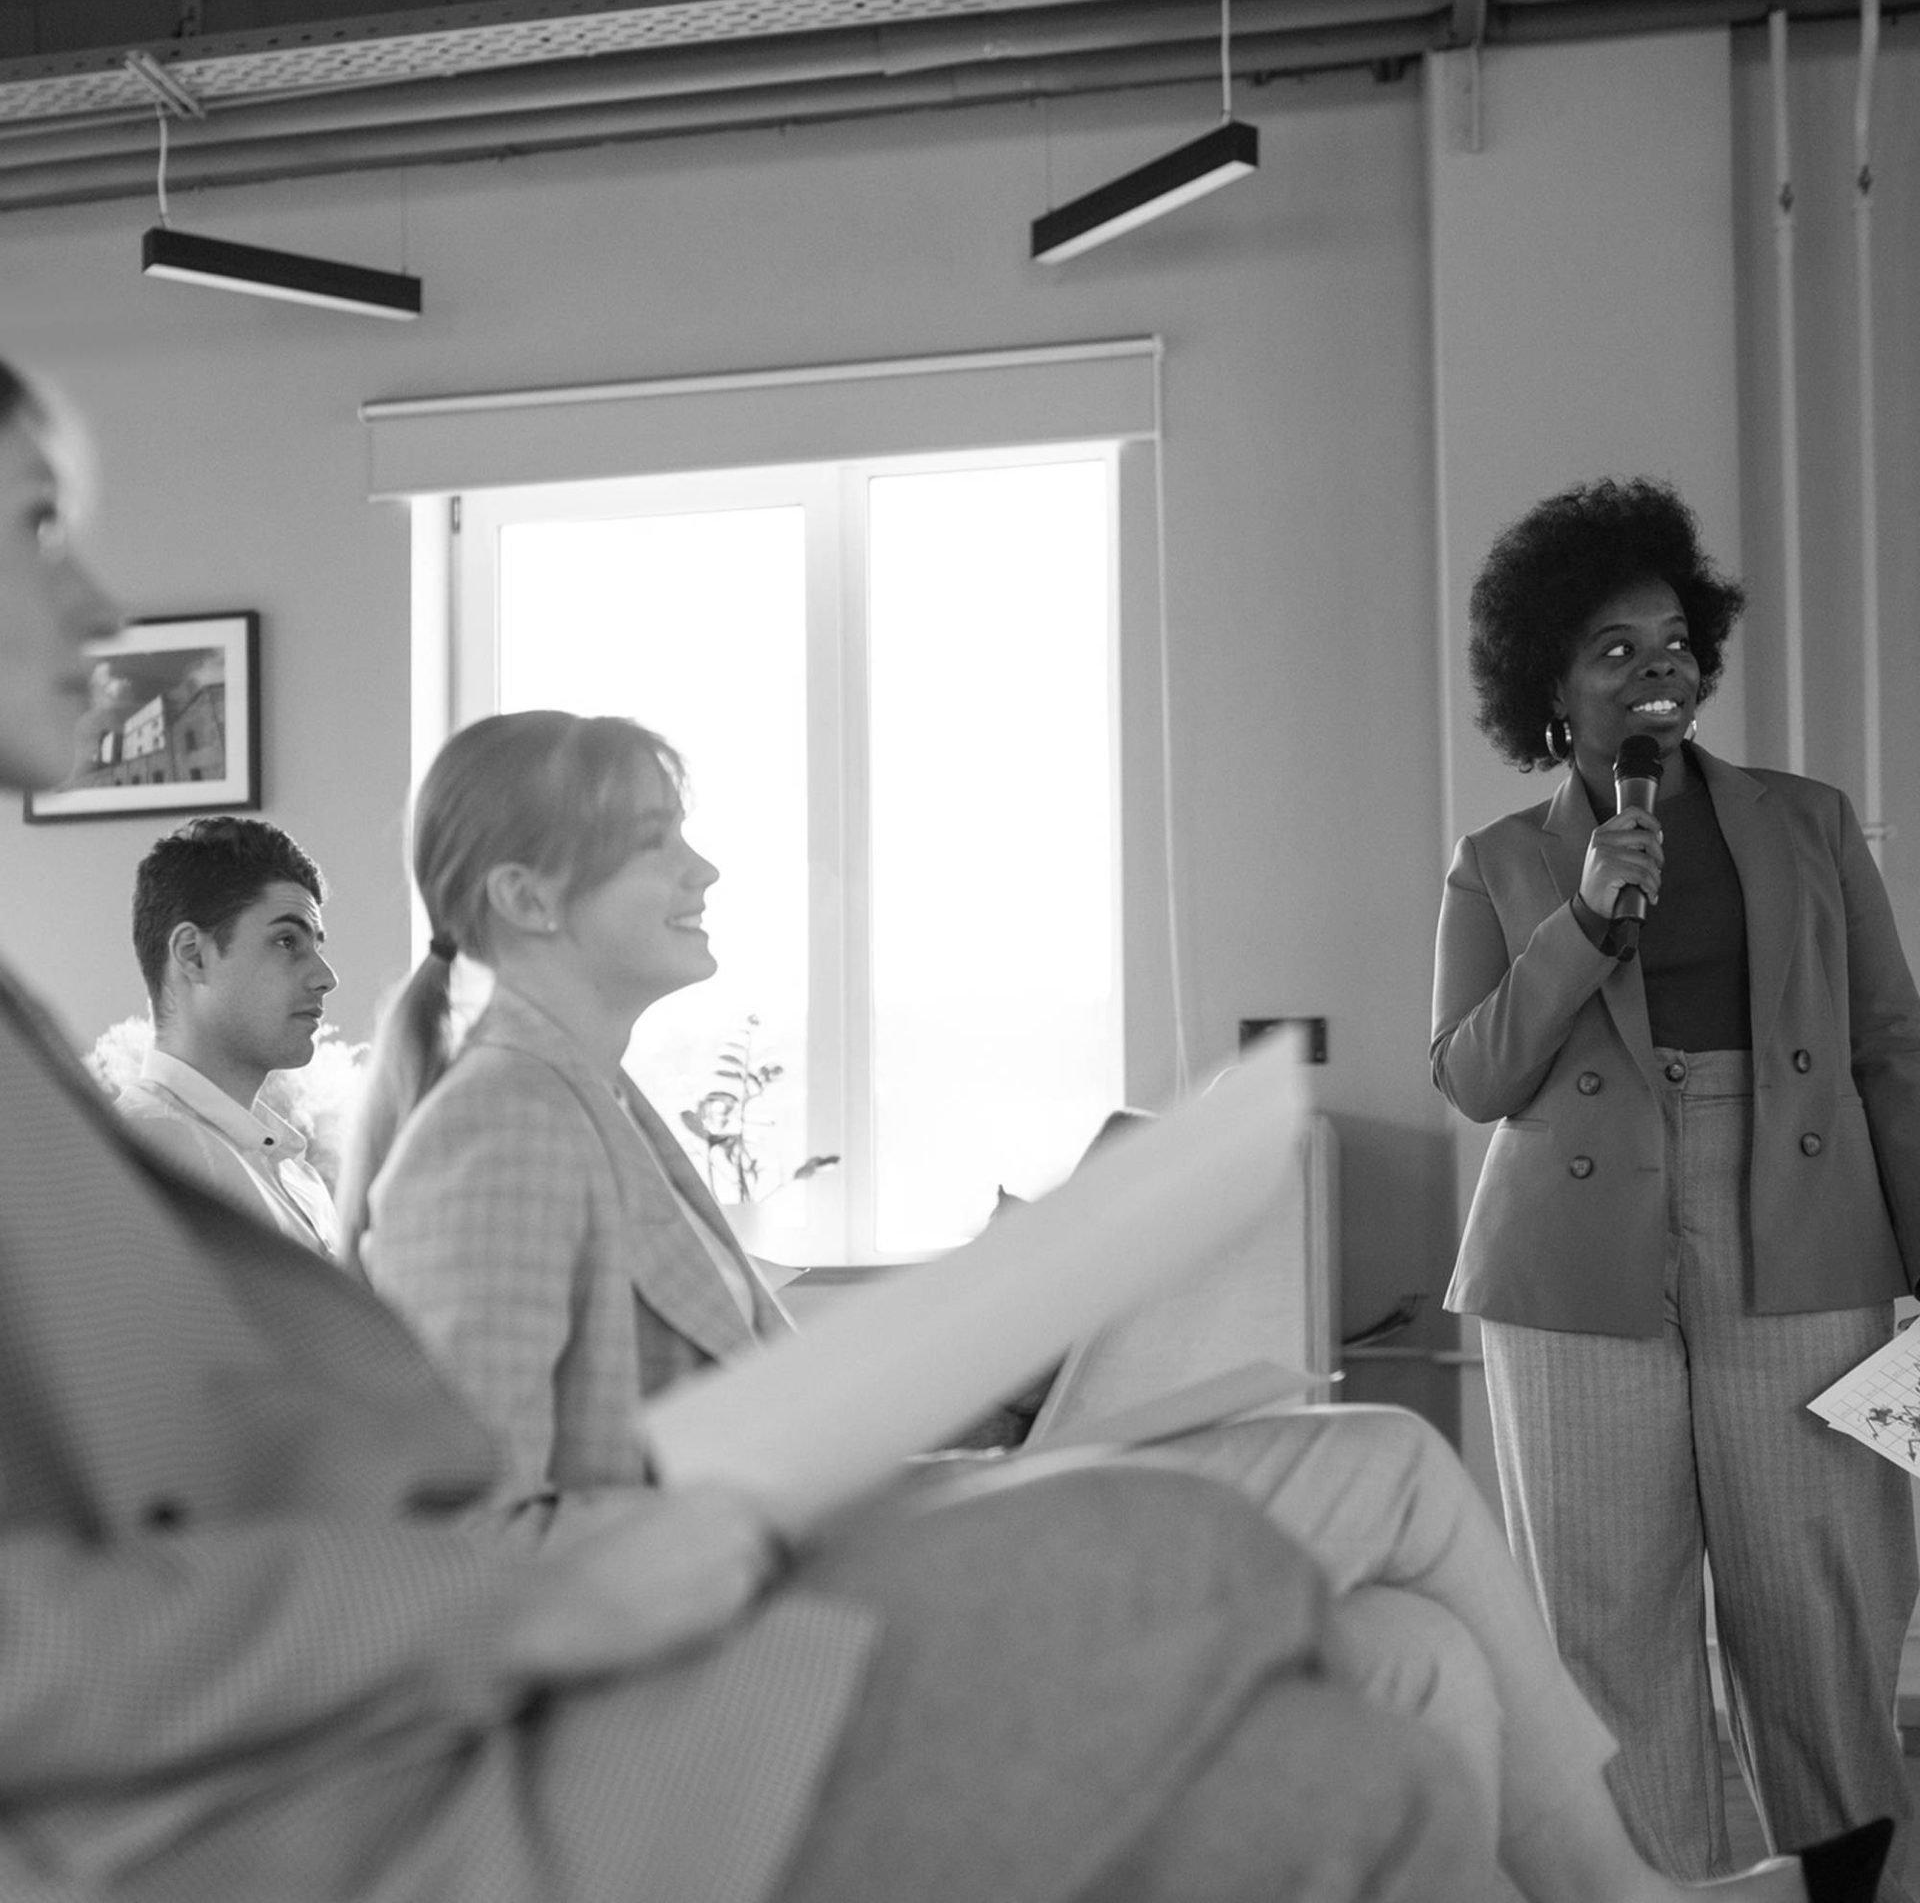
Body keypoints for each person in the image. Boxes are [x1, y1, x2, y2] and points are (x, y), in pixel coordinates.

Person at [0, 353, 1537, 1903]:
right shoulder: (489, 1128)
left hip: (455, 1691)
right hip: (375, 1795)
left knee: (1365, 1744)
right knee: (1218, 1566)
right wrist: (533, 1598)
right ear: (532, 901)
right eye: (38, 530)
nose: (99, 607)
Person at [342, 703, 1889, 1903]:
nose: (708, 868)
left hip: (847, 1532)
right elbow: (465, 1564)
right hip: (754, 1636)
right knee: (1394, 1465)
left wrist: (998, 1369)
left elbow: (716, 1408)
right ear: (529, 898)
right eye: (656, 841)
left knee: (1418, 1656)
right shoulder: (496, 1129)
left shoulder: (603, 1102)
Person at [1432, 475, 1920, 1889]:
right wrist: (1585, 918)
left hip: (1804, 1225)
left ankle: (1844, 1885)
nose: (1659, 674)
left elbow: (1891, 1043)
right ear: (1551, 691)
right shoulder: (1497, 866)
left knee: (1820, 1598)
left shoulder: (1810, 822)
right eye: (1614, 651)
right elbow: (1471, 1078)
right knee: (1605, 1624)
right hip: (1572, 1261)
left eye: (1675, 644)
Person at [114, 814, 342, 1255]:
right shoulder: (150, 1160)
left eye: (317, 945)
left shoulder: (296, 1174)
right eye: (287, 942)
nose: (325, 976)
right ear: (192, 954)